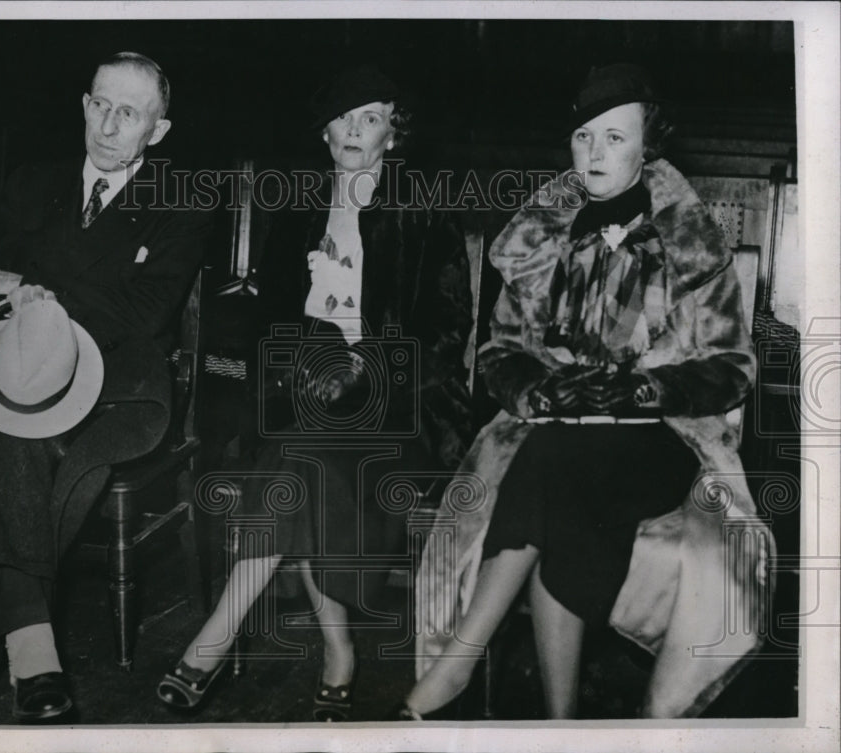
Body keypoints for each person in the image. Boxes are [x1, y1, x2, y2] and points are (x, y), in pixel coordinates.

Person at [399, 63, 774, 720]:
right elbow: (499, 352)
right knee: (558, 473)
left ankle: (457, 671)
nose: (596, 154)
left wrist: (638, 392)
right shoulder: (541, 239)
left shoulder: (690, 242)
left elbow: (731, 367)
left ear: (646, 146)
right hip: (556, 429)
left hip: (661, 436)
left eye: (615, 138)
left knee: (551, 467)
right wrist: (541, 391)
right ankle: (561, 723)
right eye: (584, 137)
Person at [0, 51, 210, 724]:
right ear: (84, 104)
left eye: (130, 113)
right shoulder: (34, 182)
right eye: (100, 104)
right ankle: (29, 653)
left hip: (120, 382)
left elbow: (143, 314)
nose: (109, 123)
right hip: (26, 365)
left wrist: (42, 294)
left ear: (158, 131)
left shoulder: (181, 200)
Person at [156, 65, 474, 722]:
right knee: (303, 453)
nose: (354, 130)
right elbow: (267, 320)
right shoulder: (301, 210)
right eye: (342, 118)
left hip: (400, 406)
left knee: (297, 463)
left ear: (393, 132)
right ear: (325, 134)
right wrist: (312, 348)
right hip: (302, 395)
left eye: (371, 117)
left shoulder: (424, 211)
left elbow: (444, 331)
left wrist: (364, 360)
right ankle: (339, 653)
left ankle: (212, 641)